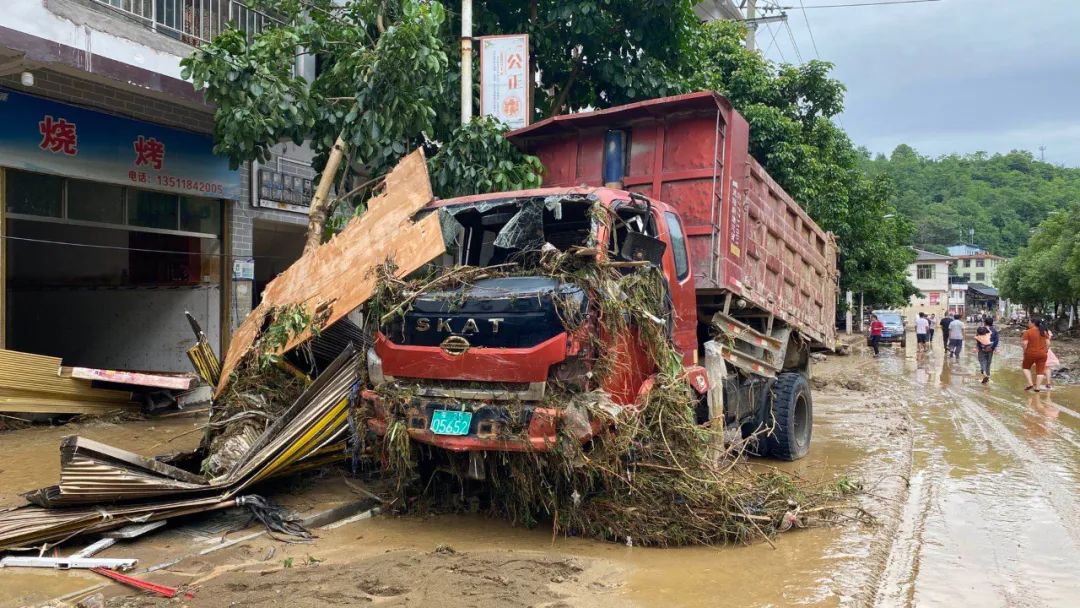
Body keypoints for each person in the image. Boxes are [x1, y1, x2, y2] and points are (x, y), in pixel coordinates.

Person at [1021, 317, 1050, 391]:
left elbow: (1025, 343)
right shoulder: (1043, 332)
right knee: (1040, 371)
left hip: (1030, 353)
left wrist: (1025, 351)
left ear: (1033, 323)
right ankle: (1037, 387)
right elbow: (1048, 343)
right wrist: (1046, 350)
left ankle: (1030, 383)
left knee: (1025, 368)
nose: (1028, 323)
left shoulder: (1027, 332)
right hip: (1042, 354)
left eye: (1029, 322)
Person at [975, 316, 999, 384]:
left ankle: (984, 373)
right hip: (990, 349)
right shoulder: (994, 331)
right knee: (988, 363)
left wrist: (978, 347)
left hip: (982, 349)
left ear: (985, 322)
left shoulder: (981, 329)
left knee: (982, 361)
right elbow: (996, 340)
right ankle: (987, 377)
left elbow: (977, 338)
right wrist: (993, 348)